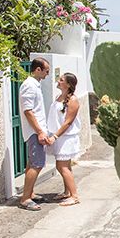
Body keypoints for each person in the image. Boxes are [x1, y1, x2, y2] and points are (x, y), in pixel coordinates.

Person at [18, 57, 51, 211]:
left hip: (36, 130)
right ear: (38, 69)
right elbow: (28, 111)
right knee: (37, 164)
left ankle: (29, 193)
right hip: (34, 131)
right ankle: (25, 199)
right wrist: (39, 131)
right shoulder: (29, 86)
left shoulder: (34, 85)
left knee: (32, 163)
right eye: (46, 71)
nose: (47, 74)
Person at [46, 72, 81, 206]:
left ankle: (74, 195)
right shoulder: (59, 97)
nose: (58, 81)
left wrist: (55, 136)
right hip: (59, 136)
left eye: (61, 80)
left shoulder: (73, 100)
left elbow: (68, 122)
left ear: (68, 84)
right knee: (63, 165)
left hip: (65, 137)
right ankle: (67, 192)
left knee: (62, 166)